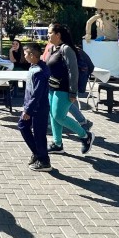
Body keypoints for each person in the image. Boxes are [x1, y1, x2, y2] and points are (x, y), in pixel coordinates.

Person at [45, 23, 94, 154]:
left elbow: (73, 72)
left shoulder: (66, 49)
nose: (47, 35)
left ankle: (85, 135)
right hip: (52, 88)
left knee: (59, 116)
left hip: (65, 88)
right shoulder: (52, 48)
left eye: (50, 33)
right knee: (53, 116)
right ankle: (57, 144)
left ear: (58, 35)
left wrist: (73, 92)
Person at [19, 43, 52, 172]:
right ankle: (38, 153)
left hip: (38, 108)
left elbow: (37, 93)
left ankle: (44, 160)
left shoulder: (39, 71)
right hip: (33, 107)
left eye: (26, 54)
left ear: (32, 55)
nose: (25, 56)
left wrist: (28, 110)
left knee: (39, 134)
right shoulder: (36, 67)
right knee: (23, 126)